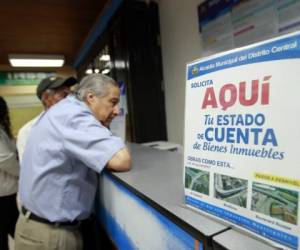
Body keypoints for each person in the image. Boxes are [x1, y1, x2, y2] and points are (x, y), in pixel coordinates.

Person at [15, 74, 131, 250]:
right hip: (50, 236)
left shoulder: (62, 110)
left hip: (40, 228)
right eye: (112, 102)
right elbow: (121, 160)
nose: (116, 111)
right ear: (90, 97)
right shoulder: (74, 116)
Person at [17, 76, 77, 162]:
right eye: (64, 95)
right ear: (46, 98)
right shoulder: (28, 131)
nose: (71, 99)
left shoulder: (76, 123)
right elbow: (29, 169)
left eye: (71, 94)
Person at [0, 96, 19, 250]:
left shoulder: (2, 130)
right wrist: (24, 173)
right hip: (3, 196)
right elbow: (5, 160)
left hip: (7, 194)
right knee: (16, 233)